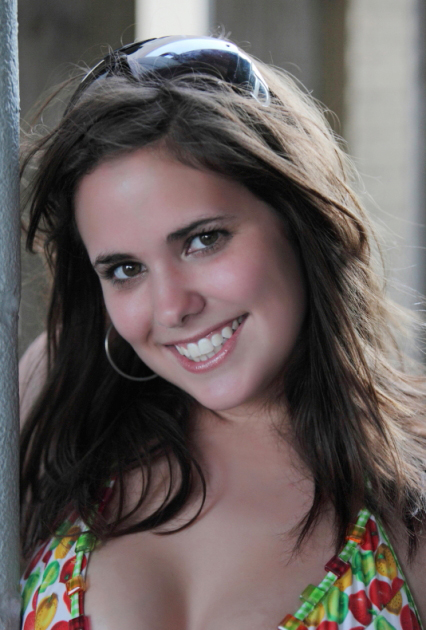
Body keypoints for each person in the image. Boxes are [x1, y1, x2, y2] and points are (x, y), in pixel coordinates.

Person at [19, 36, 426, 630]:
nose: (172, 308)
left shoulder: (410, 494)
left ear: (298, 219)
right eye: (125, 270)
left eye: (203, 240)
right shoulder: (56, 402)